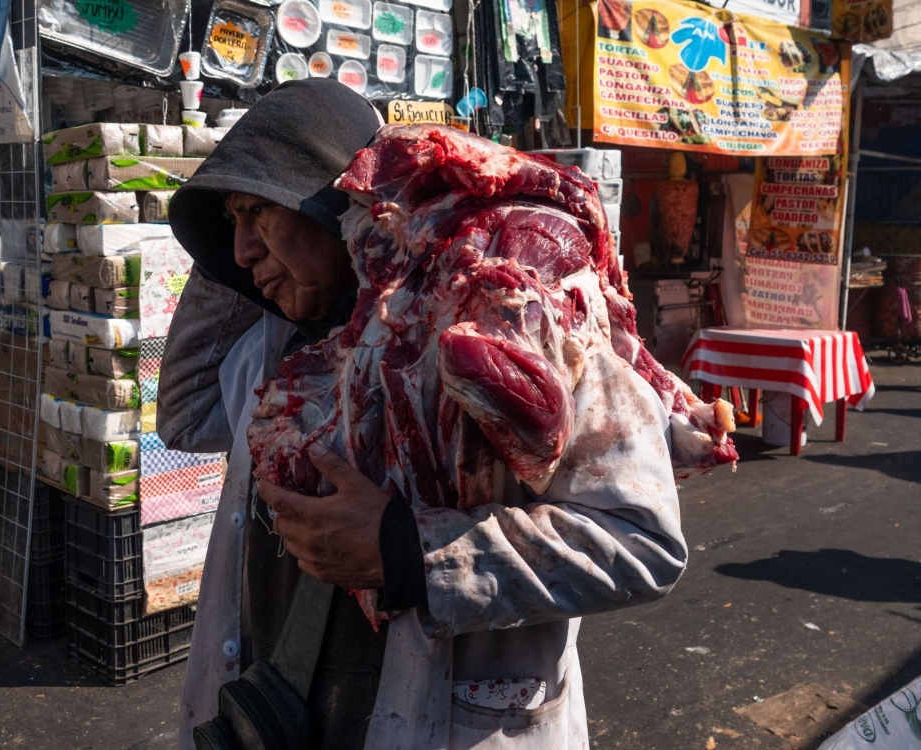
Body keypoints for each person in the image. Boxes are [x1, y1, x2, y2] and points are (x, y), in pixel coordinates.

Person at [160, 79, 688, 750]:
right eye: (230, 225)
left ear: (336, 205)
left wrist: (411, 553)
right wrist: (225, 239)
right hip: (284, 717)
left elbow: (642, 542)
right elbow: (183, 414)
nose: (240, 251)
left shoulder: (501, 328)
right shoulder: (270, 351)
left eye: (257, 214)